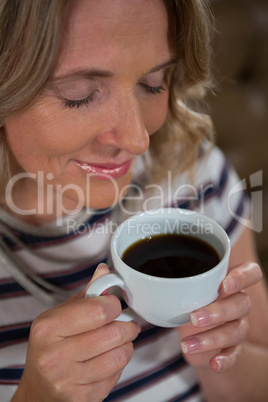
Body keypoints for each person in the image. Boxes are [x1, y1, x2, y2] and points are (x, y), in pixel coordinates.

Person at [0, 0, 267, 401]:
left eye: (152, 83)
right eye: (80, 94)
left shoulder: (194, 172)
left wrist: (221, 355)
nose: (138, 140)